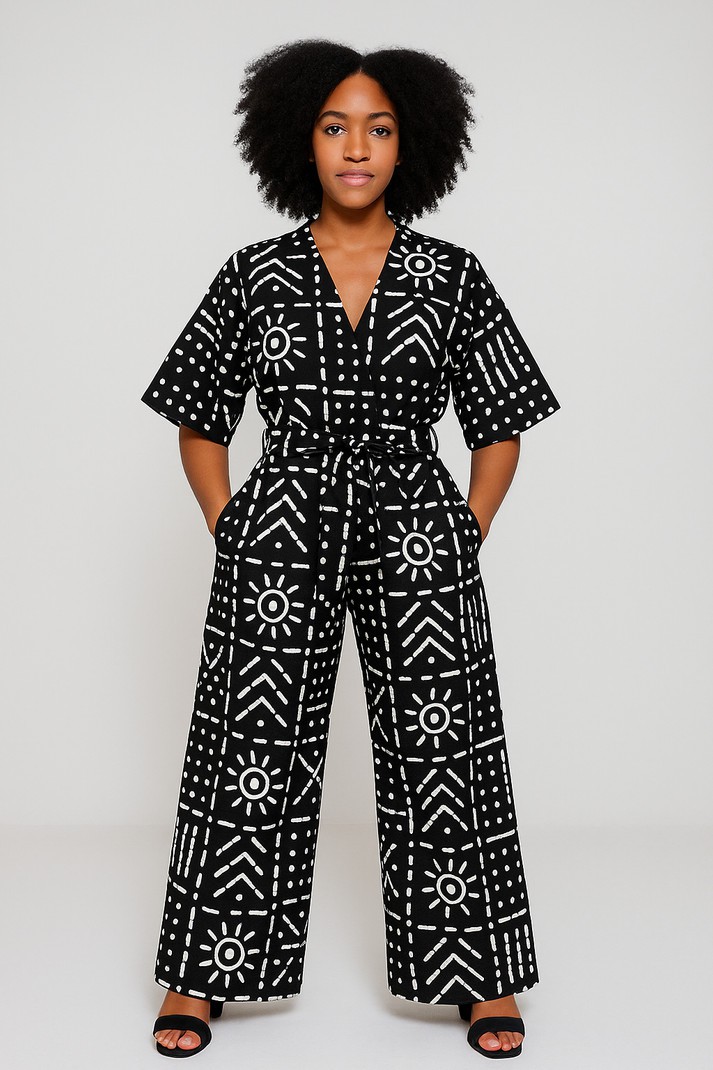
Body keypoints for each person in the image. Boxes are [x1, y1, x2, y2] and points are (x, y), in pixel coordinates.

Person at [143, 39, 561, 1060]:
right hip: (278, 533)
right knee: (246, 748)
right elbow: (198, 414)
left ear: (410, 145)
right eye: (335, 126)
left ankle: (479, 977)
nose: (357, 147)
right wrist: (231, 524)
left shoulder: (450, 277)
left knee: (445, 748)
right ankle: (199, 973)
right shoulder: (254, 275)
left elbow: (500, 424)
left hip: (418, 529)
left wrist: (463, 528)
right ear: (302, 140)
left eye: (378, 128)